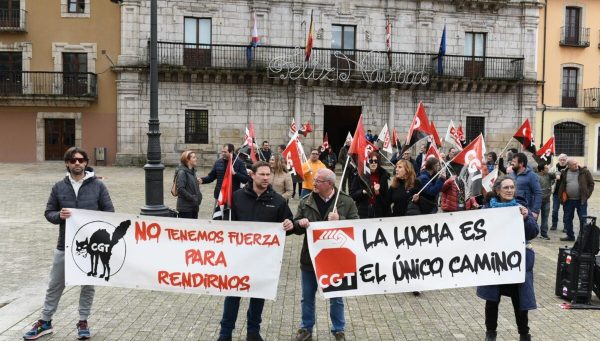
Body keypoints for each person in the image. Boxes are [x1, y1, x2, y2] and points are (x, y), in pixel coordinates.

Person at [24, 147, 115, 340]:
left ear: (86, 162)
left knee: (87, 285)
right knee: (55, 284)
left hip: (91, 248)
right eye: (73, 160)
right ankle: (45, 321)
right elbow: (49, 213)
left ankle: (83, 321)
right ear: (67, 163)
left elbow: (109, 213)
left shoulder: (98, 187)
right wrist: (59, 215)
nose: (77, 163)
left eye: (81, 160)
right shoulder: (59, 187)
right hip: (65, 244)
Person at [218, 161, 294, 341]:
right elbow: (225, 226)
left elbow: (289, 224)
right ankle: (225, 333)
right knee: (233, 296)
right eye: (262, 174)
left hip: (263, 260)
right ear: (252, 175)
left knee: (258, 295)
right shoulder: (236, 197)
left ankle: (253, 332)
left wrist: (290, 224)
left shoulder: (278, 200)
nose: (266, 178)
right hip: (238, 258)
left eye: (268, 175)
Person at [291, 168, 359, 341]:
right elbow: (295, 225)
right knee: (307, 296)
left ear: (329, 184)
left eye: (318, 181)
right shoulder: (306, 201)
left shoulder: (345, 201)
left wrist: (340, 221)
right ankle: (306, 328)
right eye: (314, 180)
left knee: (336, 297)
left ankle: (338, 330)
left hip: (335, 259)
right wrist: (300, 223)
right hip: (310, 258)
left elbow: (357, 226)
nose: (313, 183)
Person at [477, 176, 538, 341]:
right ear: (498, 190)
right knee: (492, 300)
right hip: (495, 262)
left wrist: (526, 218)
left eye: (512, 187)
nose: (510, 190)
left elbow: (533, 233)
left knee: (520, 301)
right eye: (506, 188)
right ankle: (491, 333)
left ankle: (524, 333)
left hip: (515, 263)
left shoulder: (521, 208)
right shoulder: (487, 209)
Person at [557, 158, 595, 242]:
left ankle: (582, 238)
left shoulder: (585, 172)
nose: (576, 165)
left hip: (581, 200)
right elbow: (562, 185)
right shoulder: (565, 172)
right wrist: (561, 196)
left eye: (576, 163)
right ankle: (570, 236)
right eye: (574, 164)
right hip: (568, 201)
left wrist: (587, 194)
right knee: (567, 219)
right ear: (569, 166)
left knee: (583, 219)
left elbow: (591, 183)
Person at [350, 152, 390, 218]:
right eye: (371, 161)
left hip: (378, 211)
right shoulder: (360, 175)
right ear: (367, 162)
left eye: (376, 161)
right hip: (363, 210)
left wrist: (377, 193)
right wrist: (363, 191)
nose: (373, 163)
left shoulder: (383, 176)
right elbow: (352, 195)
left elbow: (386, 199)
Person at [509, 153, 542, 220]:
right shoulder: (511, 175)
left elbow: (538, 193)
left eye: (514, 162)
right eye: (512, 161)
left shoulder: (531, 176)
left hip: (527, 211)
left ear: (521, 164)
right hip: (512, 209)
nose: (512, 163)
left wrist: (535, 211)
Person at [175, 150, 202, 219]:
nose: (196, 159)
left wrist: (199, 196)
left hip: (194, 207)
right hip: (185, 208)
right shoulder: (182, 172)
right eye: (193, 157)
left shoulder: (192, 172)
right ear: (187, 160)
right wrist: (193, 198)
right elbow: (180, 189)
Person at [536, 163, 554, 240]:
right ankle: (532, 232)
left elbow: (555, 175)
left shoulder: (549, 175)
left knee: (545, 217)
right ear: (542, 170)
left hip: (547, 200)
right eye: (546, 168)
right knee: (534, 217)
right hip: (537, 200)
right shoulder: (536, 177)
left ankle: (544, 233)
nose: (548, 169)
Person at [550, 154, 568, 230]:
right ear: (558, 160)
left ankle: (566, 226)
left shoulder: (569, 169)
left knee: (566, 210)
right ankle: (554, 224)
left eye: (564, 159)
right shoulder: (554, 168)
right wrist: (554, 178)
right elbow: (549, 179)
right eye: (561, 159)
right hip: (556, 193)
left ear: (566, 160)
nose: (562, 161)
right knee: (555, 210)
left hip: (565, 193)